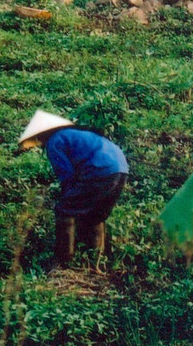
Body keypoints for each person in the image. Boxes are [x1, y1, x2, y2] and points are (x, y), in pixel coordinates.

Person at [17, 110, 129, 268]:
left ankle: (63, 260)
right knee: (96, 216)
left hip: (99, 169)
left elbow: (67, 176)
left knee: (64, 211)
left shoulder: (54, 141)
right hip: (121, 168)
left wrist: (66, 198)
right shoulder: (76, 134)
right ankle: (96, 260)